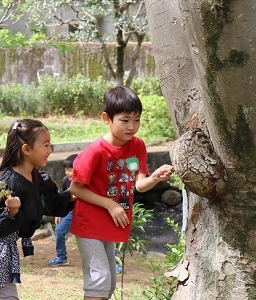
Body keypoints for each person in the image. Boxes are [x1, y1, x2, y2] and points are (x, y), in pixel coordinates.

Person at [69, 86, 173, 300]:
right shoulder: (95, 151)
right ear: (107, 118)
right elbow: (75, 189)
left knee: (109, 284)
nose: (132, 127)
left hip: (112, 221)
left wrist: (155, 177)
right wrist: (111, 204)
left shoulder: (137, 146)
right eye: (125, 120)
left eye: (137, 120)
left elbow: (139, 185)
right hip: (89, 221)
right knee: (99, 280)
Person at [0, 119, 75, 299]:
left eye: (50, 145)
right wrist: (10, 213)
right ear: (26, 149)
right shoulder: (7, 180)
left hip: (4, 241)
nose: (49, 151)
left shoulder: (37, 177)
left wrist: (72, 194)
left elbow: (54, 203)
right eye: (45, 145)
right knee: (6, 294)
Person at [48, 153, 78, 267]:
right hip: (71, 211)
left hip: (85, 211)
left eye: (70, 170)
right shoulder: (66, 180)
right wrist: (59, 212)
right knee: (59, 230)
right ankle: (61, 257)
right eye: (66, 170)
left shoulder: (85, 181)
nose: (67, 173)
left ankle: (115, 262)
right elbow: (63, 198)